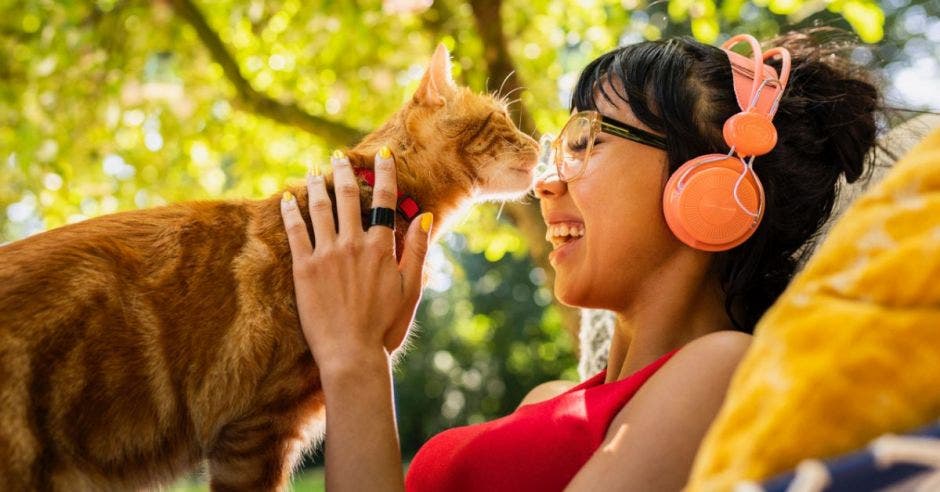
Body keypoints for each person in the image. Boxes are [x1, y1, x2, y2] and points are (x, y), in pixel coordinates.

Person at [278, 28, 880, 491]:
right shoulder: (547, 398)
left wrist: (355, 360)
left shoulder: (723, 370)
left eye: (588, 142)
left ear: (711, 194)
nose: (544, 182)